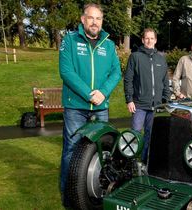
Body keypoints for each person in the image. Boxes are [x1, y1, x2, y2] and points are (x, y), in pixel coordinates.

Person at [58, 3, 122, 206]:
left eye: (99, 18)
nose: (95, 22)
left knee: (103, 149)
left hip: (101, 107)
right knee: (72, 150)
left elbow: (116, 72)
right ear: (83, 19)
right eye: (91, 18)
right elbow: (66, 71)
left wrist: (103, 92)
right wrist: (88, 94)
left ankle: (97, 189)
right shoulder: (69, 40)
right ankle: (69, 193)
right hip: (76, 106)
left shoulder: (109, 44)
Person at [123, 28, 171, 162]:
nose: (149, 41)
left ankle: (144, 163)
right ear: (143, 40)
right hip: (139, 105)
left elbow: (165, 82)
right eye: (146, 38)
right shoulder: (135, 57)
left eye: (152, 38)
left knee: (150, 136)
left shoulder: (161, 59)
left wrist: (165, 100)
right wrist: (129, 99)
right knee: (135, 135)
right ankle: (130, 163)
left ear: (155, 40)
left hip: (156, 106)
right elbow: (128, 79)